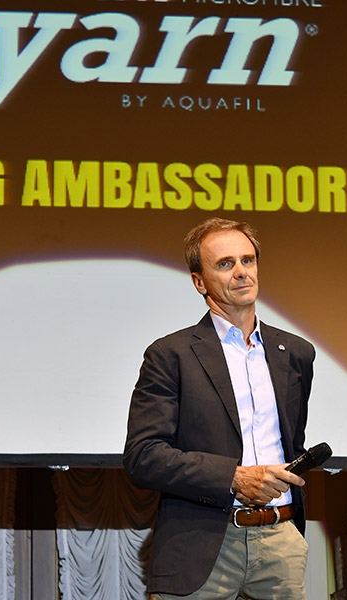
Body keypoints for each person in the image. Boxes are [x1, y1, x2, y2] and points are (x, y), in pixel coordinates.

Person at [123, 217, 315, 599]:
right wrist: (233, 478)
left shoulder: (295, 352)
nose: (241, 272)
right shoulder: (170, 355)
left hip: (281, 539)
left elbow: (291, 440)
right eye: (225, 264)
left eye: (248, 260)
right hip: (202, 542)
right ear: (199, 282)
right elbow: (143, 456)